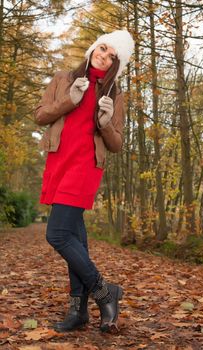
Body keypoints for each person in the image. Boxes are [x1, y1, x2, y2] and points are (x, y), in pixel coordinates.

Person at [34, 30, 134, 333]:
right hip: (59, 161)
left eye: (112, 56)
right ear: (94, 48)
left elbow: (116, 143)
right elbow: (40, 115)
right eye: (102, 49)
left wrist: (104, 124)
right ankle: (78, 311)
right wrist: (69, 100)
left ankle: (104, 291)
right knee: (75, 237)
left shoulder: (115, 95)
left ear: (116, 64)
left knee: (58, 235)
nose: (104, 56)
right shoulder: (64, 79)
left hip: (85, 166)